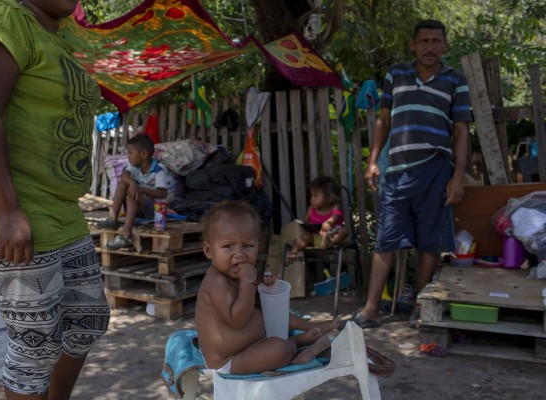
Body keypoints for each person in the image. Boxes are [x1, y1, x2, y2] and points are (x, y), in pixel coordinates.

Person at [0, 0, 110, 399]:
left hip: (61, 211)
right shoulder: (9, 17)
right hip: (11, 209)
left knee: (86, 321)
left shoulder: (63, 35)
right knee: (36, 341)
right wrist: (7, 209)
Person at [348, 19, 472, 329]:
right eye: (424, 41)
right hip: (397, 171)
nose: (430, 47)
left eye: (436, 41)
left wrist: (458, 177)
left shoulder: (456, 80)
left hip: (435, 168)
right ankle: (371, 308)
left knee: (429, 242)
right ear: (413, 45)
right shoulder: (396, 74)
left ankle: (420, 305)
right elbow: (383, 121)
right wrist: (372, 161)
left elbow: (461, 131)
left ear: (445, 46)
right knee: (386, 240)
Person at [195, 200, 341, 375]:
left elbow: (253, 304)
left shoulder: (238, 275)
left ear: (259, 245)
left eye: (248, 246)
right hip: (229, 361)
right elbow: (238, 320)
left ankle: (311, 327)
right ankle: (297, 342)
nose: (239, 253)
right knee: (280, 350)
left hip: (251, 345)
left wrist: (264, 288)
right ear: (209, 251)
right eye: (228, 246)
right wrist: (248, 282)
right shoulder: (216, 281)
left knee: (279, 314)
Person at [97, 134, 172, 250]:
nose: (128, 156)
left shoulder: (158, 170)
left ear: (143, 154)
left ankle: (126, 234)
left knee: (133, 192)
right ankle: (113, 219)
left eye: (130, 153)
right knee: (124, 183)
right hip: (136, 208)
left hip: (155, 211)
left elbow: (163, 194)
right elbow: (124, 175)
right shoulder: (134, 167)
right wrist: (133, 183)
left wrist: (141, 189)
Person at [286, 176, 349, 261]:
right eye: (312, 195)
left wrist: (328, 224)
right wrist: (305, 226)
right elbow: (306, 221)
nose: (312, 199)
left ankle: (329, 243)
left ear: (329, 198)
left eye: (316, 196)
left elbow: (334, 218)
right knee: (304, 236)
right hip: (315, 238)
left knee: (344, 231)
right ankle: (294, 251)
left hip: (331, 235)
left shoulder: (335, 207)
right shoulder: (311, 209)